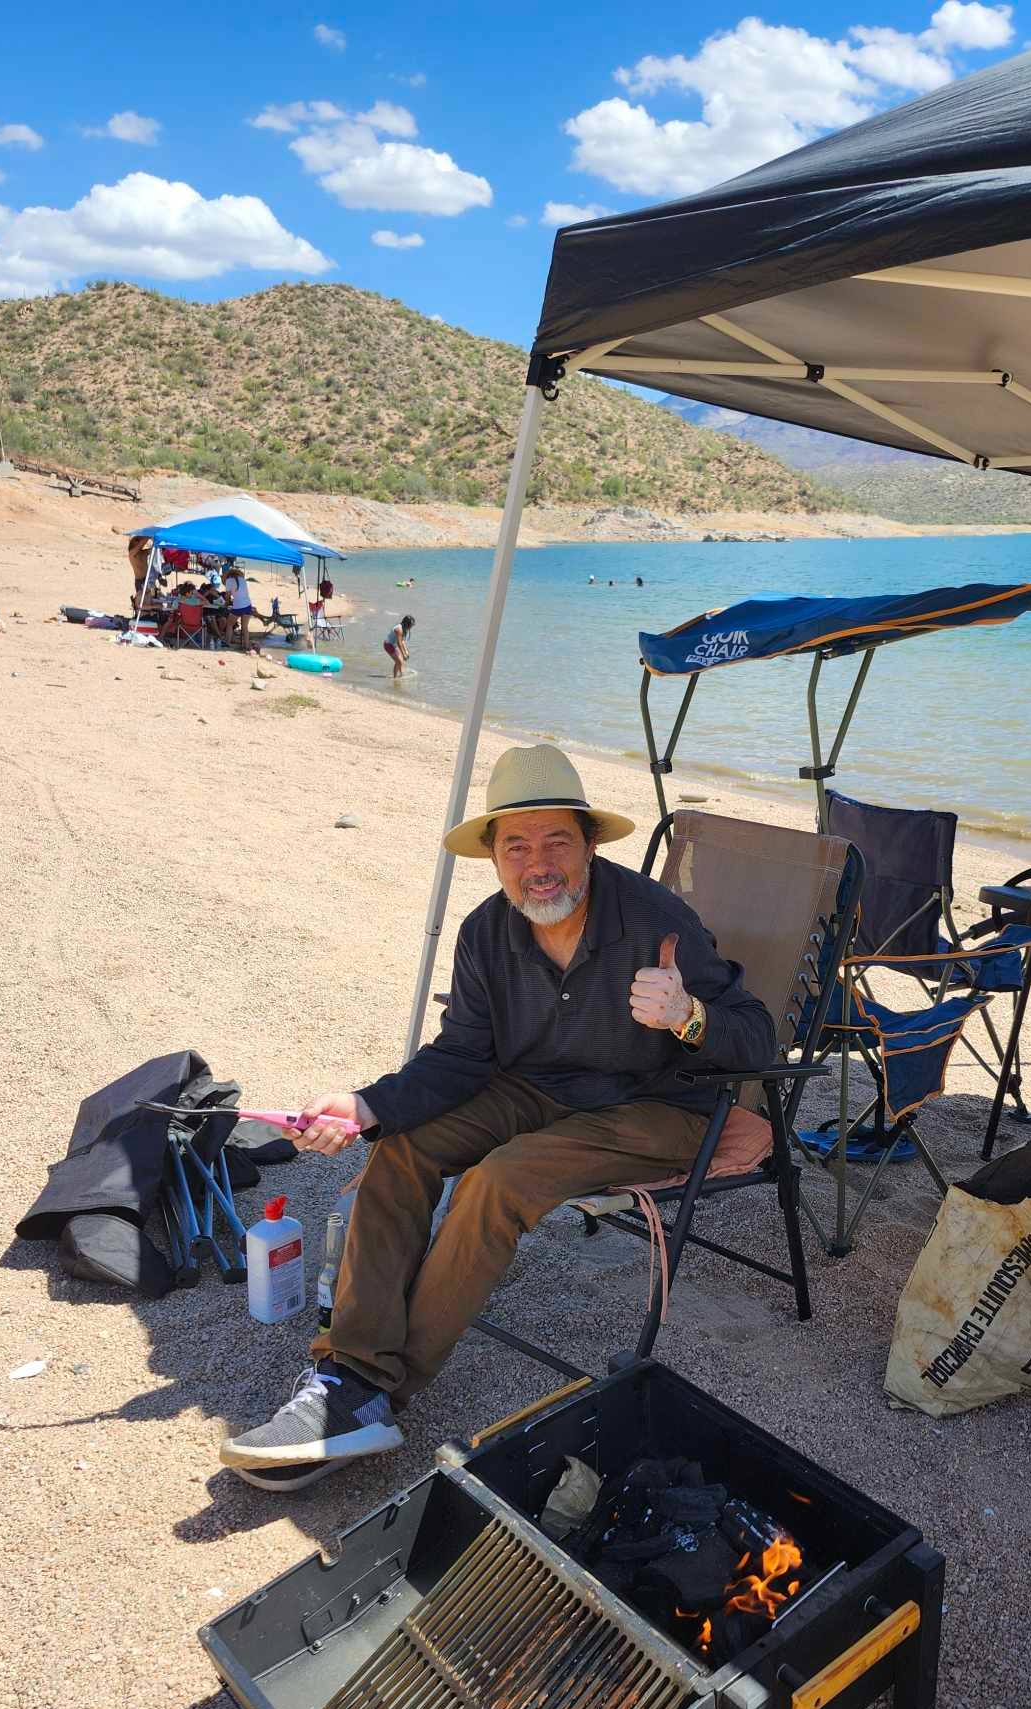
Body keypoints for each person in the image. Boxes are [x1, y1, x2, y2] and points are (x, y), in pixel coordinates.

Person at [219, 744, 775, 1488]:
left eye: (557, 842)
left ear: (590, 845)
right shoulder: (486, 931)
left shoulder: (655, 920)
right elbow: (460, 1056)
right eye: (516, 846)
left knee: (499, 1179)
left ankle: (376, 1392)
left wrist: (688, 1015)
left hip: (658, 1105)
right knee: (402, 1145)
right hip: (536, 1090)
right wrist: (365, 1105)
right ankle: (351, 1371)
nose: (538, 864)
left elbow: (759, 1039)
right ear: (493, 857)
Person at [224, 566, 255, 649]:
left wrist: (226, 603)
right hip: (247, 605)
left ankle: (227, 642)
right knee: (245, 627)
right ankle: (246, 646)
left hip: (238, 606)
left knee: (229, 624)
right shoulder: (243, 580)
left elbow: (227, 595)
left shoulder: (229, 580)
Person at [383, 612, 415, 679]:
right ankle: (395, 678)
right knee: (399, 661)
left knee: (401, 661)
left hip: (393, 645)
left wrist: (406, 651)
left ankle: (401, 675)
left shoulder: (404, 628)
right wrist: (403, 654)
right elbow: (399, 643)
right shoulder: (399, 629)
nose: (412, 626)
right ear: (407, 624)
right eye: (411, 625)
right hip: (388, 645)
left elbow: (402, 641)